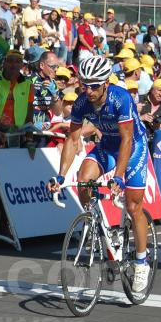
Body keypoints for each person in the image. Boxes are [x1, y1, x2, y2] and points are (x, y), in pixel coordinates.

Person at [48, 56, 152, 292]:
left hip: (133, 146)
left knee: (134, 206)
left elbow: (127, 139)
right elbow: (73, 139)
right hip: (107, 145)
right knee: (83, 180)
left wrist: (118, 176)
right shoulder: (82, 102)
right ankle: (95, 228)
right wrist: (61, 175)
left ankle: (142, 261)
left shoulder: (120, 98)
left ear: (106, 83)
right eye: (85, 85)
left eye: (95, 85)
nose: (89, 90)